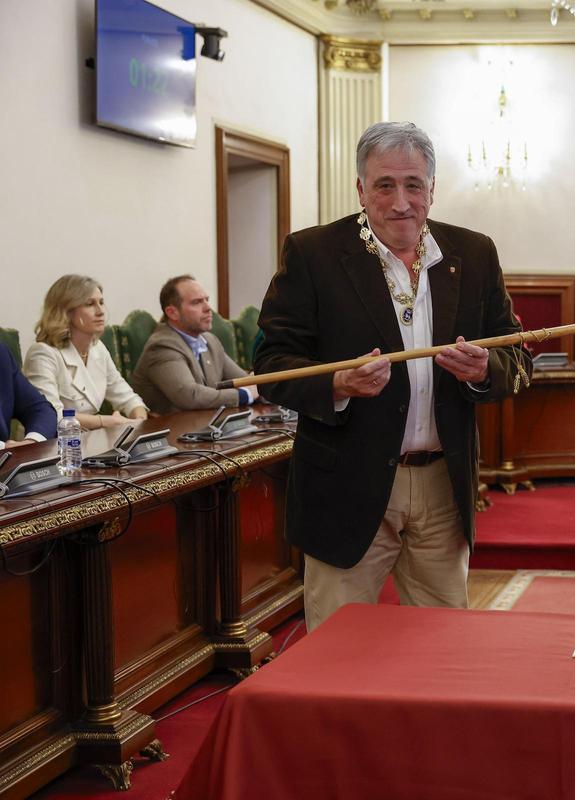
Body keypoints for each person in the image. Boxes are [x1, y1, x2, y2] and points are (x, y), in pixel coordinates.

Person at [254, 121, 531, 631]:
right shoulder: (314, 254)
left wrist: (483, 370)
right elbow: (271, 366)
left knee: (443, 646)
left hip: (443, 484)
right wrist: (338, 384)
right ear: (361, 190)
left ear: (432, 188)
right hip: (346, 484)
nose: (401, 202)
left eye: (413, 185)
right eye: (385, 185)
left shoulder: (473, 253)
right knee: (339, 649)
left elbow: (517, 360)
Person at [23, 275, 148, 430]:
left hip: (90, 438)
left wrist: (139, 420)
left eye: (101, 302)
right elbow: (51, 414)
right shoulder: (42, 354)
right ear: (66, 312)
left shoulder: (97, 348)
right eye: (90, 304)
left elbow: (127, 397)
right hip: (54, 440)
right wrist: (104, 421)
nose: (100, 311)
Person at [130, 275, 259, 415]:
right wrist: (245, 395)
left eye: (207, 300)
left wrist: (260, 387)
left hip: (205, 424)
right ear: (172, 313)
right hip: (170, 427)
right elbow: (190, 396)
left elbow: (244, 381)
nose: (208, 308)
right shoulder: (162, 346)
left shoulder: (210, 341)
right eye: (196, 302)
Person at [0, 345, 56, 449]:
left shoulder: (2, 354)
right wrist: (5, 447)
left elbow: (40, 409)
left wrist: (32, 441)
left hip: (7, 457)